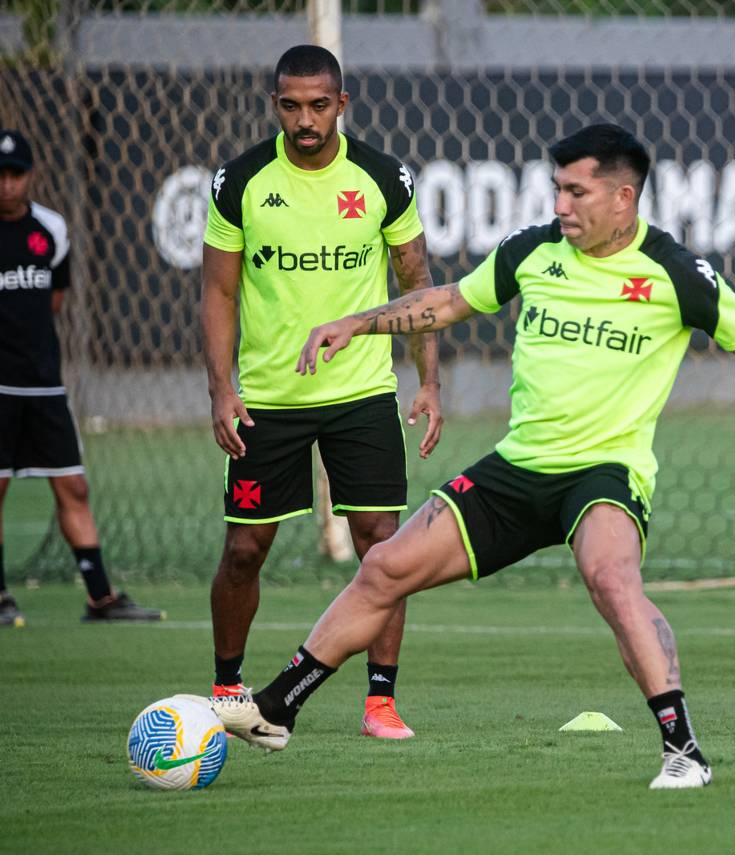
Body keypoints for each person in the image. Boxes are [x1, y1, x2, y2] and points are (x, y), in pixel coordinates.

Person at [212, 123, 735, 788]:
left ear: (623, 198)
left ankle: (683, 749)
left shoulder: (674, 272)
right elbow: (447, 302)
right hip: (517, 468)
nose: (560, 205)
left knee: (611, 578)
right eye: (556, 189)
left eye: (575, 191)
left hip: (603, 473)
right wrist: (358, 321)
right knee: (385, 567)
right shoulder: (532, 251)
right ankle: (276, 708)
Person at [200, 45, 443, 739]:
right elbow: (218, 290)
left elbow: (417, 283)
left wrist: (427, 380)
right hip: (268, 399)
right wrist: (221, 389)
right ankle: (226, 688)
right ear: (274, 103)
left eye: (317, 105)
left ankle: (380, 702)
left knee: (383, 548)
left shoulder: (381, 176)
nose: (304, 119)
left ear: (341, 102)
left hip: (363, 392)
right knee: (245, 549)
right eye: (290, 105)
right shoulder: (239, 181)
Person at [0, 129, 164, 627]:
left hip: (44, 384)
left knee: (72, 486)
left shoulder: (51, 229)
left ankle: (100, 597)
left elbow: (53, 300)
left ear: (31, 176)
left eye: (15, 175)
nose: (7, 185)